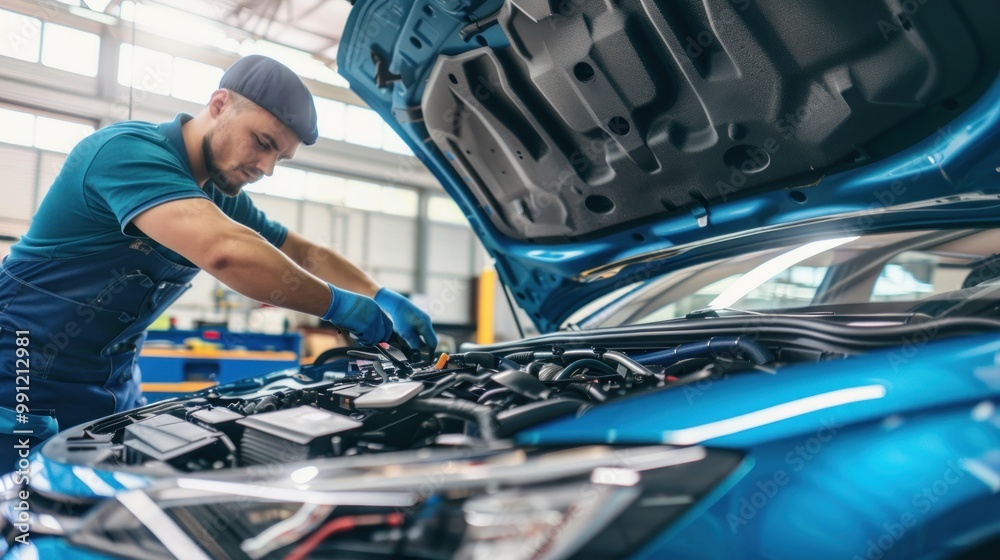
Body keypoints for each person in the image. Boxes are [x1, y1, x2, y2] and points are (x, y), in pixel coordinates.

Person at [0, 55, 437, 467]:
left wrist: (379, 294)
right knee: (21, 521)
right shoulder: (127, 151)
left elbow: (305, 252)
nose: (266, 168)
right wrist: (341, 306)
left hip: (113, 386)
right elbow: (226, 252)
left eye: (280, 158)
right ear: (219, 104)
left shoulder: (215, 194)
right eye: (262, 143)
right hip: (18, 379)